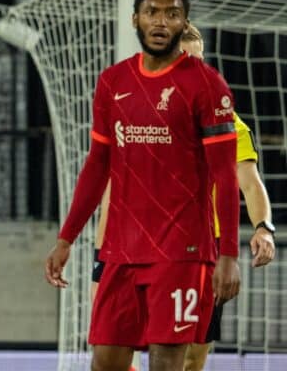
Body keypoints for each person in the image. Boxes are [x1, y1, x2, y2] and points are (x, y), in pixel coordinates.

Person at [45, 0, 241, 371]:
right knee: (104, 361)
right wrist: (67, 237)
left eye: (173, 14)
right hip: (122, 250)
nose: (161, 21)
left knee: (167, 361)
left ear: (183, 23)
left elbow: (225, 175)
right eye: (153, 11)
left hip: (183, 252)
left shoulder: (207, 86)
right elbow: (97, 166)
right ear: (135, 19)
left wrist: (229, 254)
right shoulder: (113, 81)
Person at [91, 24, 277, 371]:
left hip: (200, 250)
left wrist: (264, 227)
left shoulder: (228, 125)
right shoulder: (136, 118)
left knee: (191, 354)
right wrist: (99, 259)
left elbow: (250, 184)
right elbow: (113, 190)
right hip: (138, 245)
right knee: (118, 349)